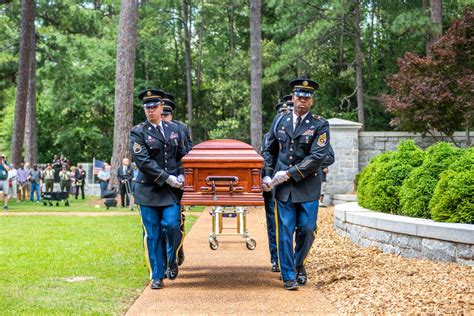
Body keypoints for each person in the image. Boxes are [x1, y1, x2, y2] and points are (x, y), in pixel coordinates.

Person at [262, 77, 330, 290]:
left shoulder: (320, 124)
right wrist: (267, 174)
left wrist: (289, 173)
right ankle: (289, 274)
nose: (302, 101)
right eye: (299, 97)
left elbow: (317, 157)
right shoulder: (279, 120)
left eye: (307, 98)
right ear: (293, 98)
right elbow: (269, 150)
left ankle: (298, 263)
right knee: (285, 230)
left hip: (307, 185)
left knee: (307, 229)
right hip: (283, 189)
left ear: (312, 101)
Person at [130, 88, 187, 290]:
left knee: (172, 226)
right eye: (147, 108)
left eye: (154, 107)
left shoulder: (174, 130)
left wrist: (181, 173)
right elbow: (143, 162)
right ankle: (157, 274)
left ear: (161, 107)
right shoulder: (138, 132)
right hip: (148, 191)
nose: (151, 111)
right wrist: (168, 178)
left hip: (170, 191)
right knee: (153, 234)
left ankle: (172, 258)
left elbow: (182, 154)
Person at [161, 93, 193, 266]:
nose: (163, 117)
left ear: (170, 114)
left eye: (166, 114)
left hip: (177, 181)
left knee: (177, 221)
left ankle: (177, 249)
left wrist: (183, 175)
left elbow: (187, 153)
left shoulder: (179, 128)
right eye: (162, 114)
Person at [261, 101, 291, 273]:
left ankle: (293, 260)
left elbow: (327, 155)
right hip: (274, 185)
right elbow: (266, 157)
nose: (284, 115)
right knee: (275, 224)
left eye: (287, 112)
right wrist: (267, 176)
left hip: (299, 183)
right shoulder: (269, 136)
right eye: (281, 113)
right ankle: (276, 258)